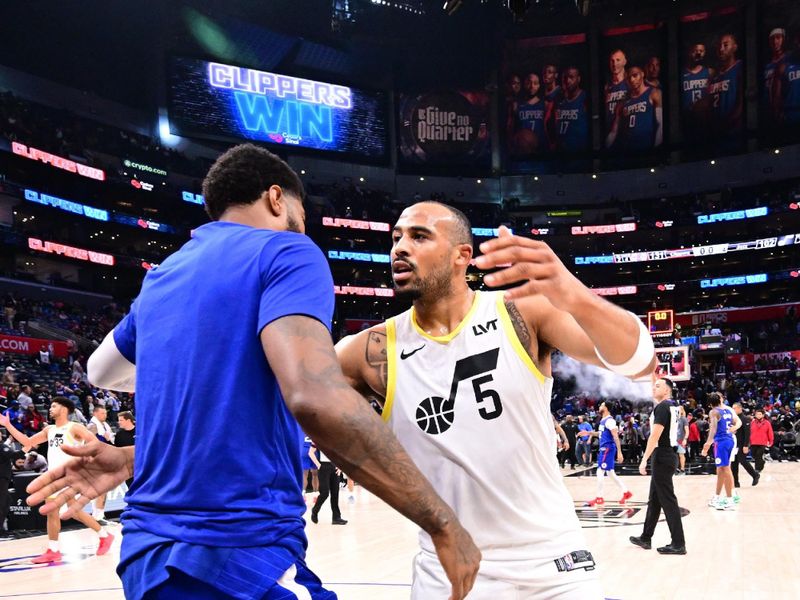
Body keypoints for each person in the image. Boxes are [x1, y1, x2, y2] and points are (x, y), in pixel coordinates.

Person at [27, 145, 480, 600]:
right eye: (300, 218)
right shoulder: (287, 251)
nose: (302, 231)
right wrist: (440, 521)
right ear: (277, 199)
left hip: (147, 560)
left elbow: (100, 370)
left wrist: (133, 457)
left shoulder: (163, 275)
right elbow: (316, 398)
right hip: (237, 555)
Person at [336, 203, 656, 598]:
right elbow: (299, 402)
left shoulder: (522, 312)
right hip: (450, 570)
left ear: (461, 256)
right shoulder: (368, 351)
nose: (400, 247)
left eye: (419, 236)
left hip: (553, 563)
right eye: (396, 237)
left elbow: (640, 365)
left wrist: (573, 293)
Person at [0, 397, 114, 563]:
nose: (50, 408)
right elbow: (28, 442)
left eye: (54, 406)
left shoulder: (75, 427)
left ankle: (55, 549)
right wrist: (8, 425)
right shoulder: (50, 430)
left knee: (53, 510)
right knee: (69, 511)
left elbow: (96, 445)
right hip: (55, 475)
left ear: (65, 409)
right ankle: (102, 535)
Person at [630, 378, 686, 555]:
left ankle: (678, 543)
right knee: (654, 499)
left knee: (668, 500)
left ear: (668, 390)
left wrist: (644, 459)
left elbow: (654, 437)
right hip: (667, 455)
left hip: (662, 455)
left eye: (658, 385)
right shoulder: (673, 406)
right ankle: (646, 537)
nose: (654, 388)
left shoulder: (662, 407)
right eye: (654, 385)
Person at [585, 401, 631, 507]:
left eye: (601, 405)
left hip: (607, 449)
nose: (599, 406)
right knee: (610, 473)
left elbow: (615, 436)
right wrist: (590, 433)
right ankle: (626, 492)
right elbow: (601, 434)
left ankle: (599, 498)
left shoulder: (610, 421)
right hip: (605, 449)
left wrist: (619, 452)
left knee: (600, 471)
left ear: (606, 408)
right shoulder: (603, 420)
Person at [605, 66, 663, 151]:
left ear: (642, 74)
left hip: (647, 149)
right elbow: (614, 132)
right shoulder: (623, 102)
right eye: (629, 78)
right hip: (628, 150)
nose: (632, 80)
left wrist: (656, 148)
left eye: (635, 75)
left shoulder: (654, 93)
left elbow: (660, 125)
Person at [701, 393, 741, 511]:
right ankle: (718, 497)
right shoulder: (727, 411)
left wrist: (707, 445)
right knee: (722, 470)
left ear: (709, 404)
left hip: (721, 442)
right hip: (729, 440)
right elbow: (734, 422)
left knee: (725, 469)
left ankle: (730, 499)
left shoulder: (714, 412)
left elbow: (713, 430)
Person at [707, 33, 743, 137]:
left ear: (735, 47)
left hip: (734, 134)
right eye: (719, 46)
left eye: (725, 45)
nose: (721, 49)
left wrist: (725, 125)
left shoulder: (740, 68)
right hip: (715, 136)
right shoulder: (714, 75)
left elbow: (742, 104)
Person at [88, 405, 115, 521]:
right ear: (95, 413)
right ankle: (97, 516)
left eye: (105, 413)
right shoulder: (92, 426)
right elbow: (87, 444)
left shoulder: (105, 426)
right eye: (102, 413)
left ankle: (99, 514)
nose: (105, 415)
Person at [554, 67, 590, 152]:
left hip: (578, 152)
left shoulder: (585, 98)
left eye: (571, 77)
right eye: (565, 78)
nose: (567, 81)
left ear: (578, 79)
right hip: (560, 152)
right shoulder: (558, 99)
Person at [310, 446, 346, 525]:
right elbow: (310, 452)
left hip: (335, 467)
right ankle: (315, 510)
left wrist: (340, 467)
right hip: (324, 467)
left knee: (335, 493)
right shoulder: (319, 439)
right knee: (325, 493)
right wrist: (318, 465)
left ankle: (336, 517)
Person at [731, 403, 759, 489]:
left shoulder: (745, 419)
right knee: (733, 463)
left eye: (734, 408)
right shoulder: (734, 419)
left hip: (742, 444)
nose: (733, 410)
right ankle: (736, 482)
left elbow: (747, 433)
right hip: (734, 444)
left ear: (740, 409)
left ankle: (755, 475)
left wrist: (746, 445)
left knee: (742, 460)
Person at [604, 49, 629, 131]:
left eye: (618, 60)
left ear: (624, 62)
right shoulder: (607, 87)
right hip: (609, 130)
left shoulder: (631, 83)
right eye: (612, 61)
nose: (614, 64)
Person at [114, 411, 136, 489]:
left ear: (128, 420)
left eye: (121, 420)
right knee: (132, 490)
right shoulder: (119, 435)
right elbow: (117, 452)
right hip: (128, 469)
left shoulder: (140, 431)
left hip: (143, 466)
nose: (119, 422)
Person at [749, 408, 774, 472]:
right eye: (757, 414)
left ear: (763, 415)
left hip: (763, 442)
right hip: (753, 442)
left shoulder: (767, 423)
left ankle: (757, 469)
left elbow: (770, 432)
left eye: (760, 414)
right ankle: (762, 462)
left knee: (758, 455)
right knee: (753, 455)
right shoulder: (752, 422)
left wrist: (771, 441)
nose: (758, 415)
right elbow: (749, 432)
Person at [675, 406, 689, 474]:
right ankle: (676, 467)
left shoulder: (684, 419)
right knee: (674, 455)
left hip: (681, 439)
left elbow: (687, 430)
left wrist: (685, 439)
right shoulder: (675, 419)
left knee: (681, 454)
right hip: (674, 439)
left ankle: (682, 468)